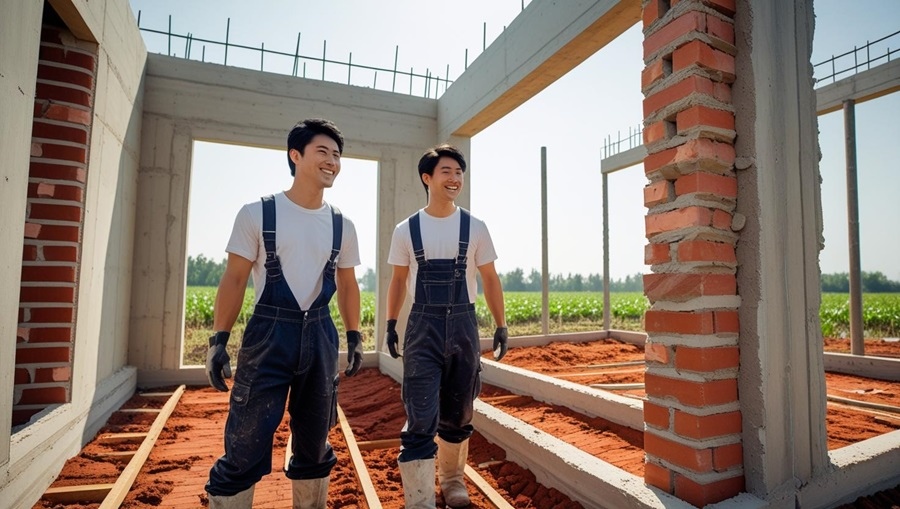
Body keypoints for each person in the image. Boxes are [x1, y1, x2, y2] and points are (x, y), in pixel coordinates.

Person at [204, 118, 364, 509]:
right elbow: (235, 279)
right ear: (296, 155)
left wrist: (355, 335)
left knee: (314, 443)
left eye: (337, 155)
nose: (332, 161)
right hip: (268, 338)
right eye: (322, 152)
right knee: (245, 443)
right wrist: (218, 340)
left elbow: (347, 285)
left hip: (321, 337)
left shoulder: (343, 224)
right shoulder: (257, 213)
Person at [385, 143, 507, 508]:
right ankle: (419, 498)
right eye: (446, 172)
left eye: (459, 173)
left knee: (459, 411)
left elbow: (490, 278)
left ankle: (452, 482)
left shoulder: (475, 227)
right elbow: (397, 280)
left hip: (464, 330)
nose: (455, 179)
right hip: (423, 329)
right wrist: (391, 323)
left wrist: (501, 325)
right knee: (421, 413)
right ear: (428, 178)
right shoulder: (407, 229)